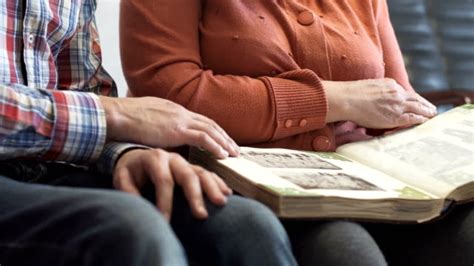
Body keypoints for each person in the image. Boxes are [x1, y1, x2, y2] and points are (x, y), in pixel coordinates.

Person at [120, 0, 474, 265]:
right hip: (243, 180)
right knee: (344, 252)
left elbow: (399, 99)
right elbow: (169, 92)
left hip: (374, 183)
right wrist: (335, 100)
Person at [0, 0, 298, 265]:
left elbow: (83, 90)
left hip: (49, 167)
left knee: (244, 226)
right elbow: (144, 98)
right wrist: (112, 114)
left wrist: (126, 155)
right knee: (132, 229)